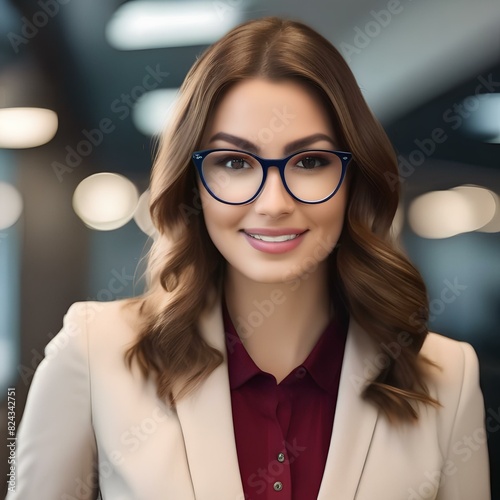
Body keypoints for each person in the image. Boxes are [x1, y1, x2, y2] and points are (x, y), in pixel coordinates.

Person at [8, 16, 490, 500]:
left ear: (353, 180)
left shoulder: (448, 377)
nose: (274, 203)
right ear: (193, 181)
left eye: (310, 162)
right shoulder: (95, 353)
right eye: (235, 163)